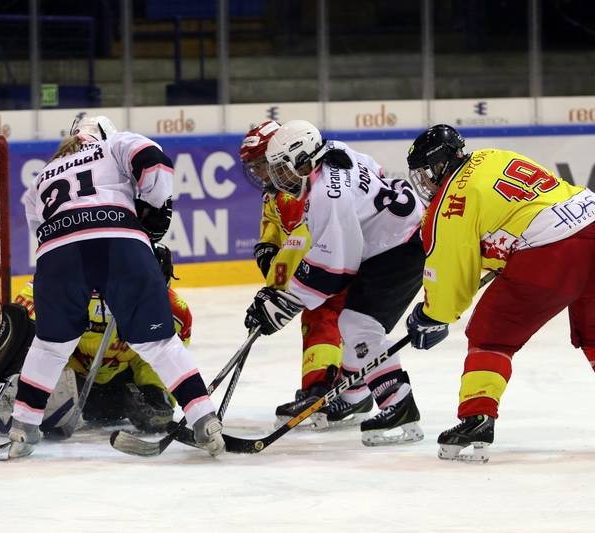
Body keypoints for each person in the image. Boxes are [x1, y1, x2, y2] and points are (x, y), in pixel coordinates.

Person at [8, 115, 224, 458]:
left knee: (49, 347)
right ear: (105, 133)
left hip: (56, 254)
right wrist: (152, 211)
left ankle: (22, 428)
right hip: (118, 243)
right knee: (160, 344)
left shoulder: (42, 176)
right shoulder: (115, 143)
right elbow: (155, 164)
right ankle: (204, 420)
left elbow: (40, 229)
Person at [405, 124, 595, 462]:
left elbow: (451, 272)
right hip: (589, 217)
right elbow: (523, 211)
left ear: (439, 165)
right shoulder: (492, 156)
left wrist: (433, 315)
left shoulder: (449, 202)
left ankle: (477, 416)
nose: (426, 182)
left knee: (491, 335)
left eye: (426, 172)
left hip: (554, 251)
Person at [244, 119, 426, 446]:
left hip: (399, 247)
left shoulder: (328, 195)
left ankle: (399, 405)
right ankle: (354, 397)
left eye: (283, 171)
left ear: (301, 160)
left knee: (358, 324)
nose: (279, 181)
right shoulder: (334, 151)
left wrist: (283, 303)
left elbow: (333, 269)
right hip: (396, 239)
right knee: (350, 322)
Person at [0, 243, 188, 436]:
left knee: (147, 416)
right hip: (66, 375)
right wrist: (24, 331)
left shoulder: (176, 314)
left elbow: (156, 358)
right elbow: (22, 316)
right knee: (55, 391)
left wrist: (154, 392)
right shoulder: (80, 288)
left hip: (111, 387)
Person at [240, 120, 373, 429]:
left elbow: (308, 239)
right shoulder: (277, 193)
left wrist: (277, 286)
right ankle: (339, 388)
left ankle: (323, 389)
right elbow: (273, 230)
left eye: (262, 164)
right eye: (253, 166)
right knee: (324, 317)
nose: (259, 173)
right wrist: (267, 249)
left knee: (324, 314)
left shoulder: (309, 187)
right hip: (326, 264)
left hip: (348, 261)